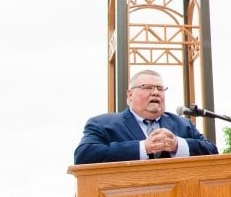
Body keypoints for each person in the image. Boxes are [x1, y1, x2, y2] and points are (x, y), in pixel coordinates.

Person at [73, 69, 218, 164]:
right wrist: (144, 147)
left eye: (160, 88)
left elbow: (212, 151)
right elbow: (83, 156)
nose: (155, 92)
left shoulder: (183, 124)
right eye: (147, 87)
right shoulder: (103, 124)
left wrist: (177, 145)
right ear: (130, 95)